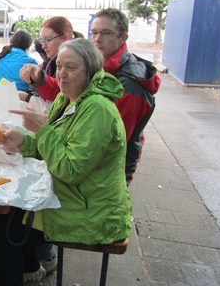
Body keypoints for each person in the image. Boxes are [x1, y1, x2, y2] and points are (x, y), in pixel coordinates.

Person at [0, 39, 133, 286]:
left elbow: (69, 169)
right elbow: (54, 147)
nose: (62, 75)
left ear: (90, 71)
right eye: (59, 67)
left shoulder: (98, 110)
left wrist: (41, 130)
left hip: (93, 211)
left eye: (71, 68)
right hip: (77, 195)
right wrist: (23, 141)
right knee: (8, 212)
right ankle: (28, 271)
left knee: (4, 227)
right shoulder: (70, 99)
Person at [22, 10, 161, 185]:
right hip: (83, 165)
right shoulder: (95, 68)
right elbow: (65, 93)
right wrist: (41, 79)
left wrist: (46, 130)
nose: (97, 39)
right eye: (94, 33)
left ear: (123, 38)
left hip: (103, 177)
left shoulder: (128, 87)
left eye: (106, 33)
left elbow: (94, 149)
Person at [19, 16, 83, 103]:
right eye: (42, 41)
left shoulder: (77, 60)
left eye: (48, 40)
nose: (43, 46)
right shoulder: (50, 62)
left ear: (65, 37)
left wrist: (39, 78)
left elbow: (60, 92)